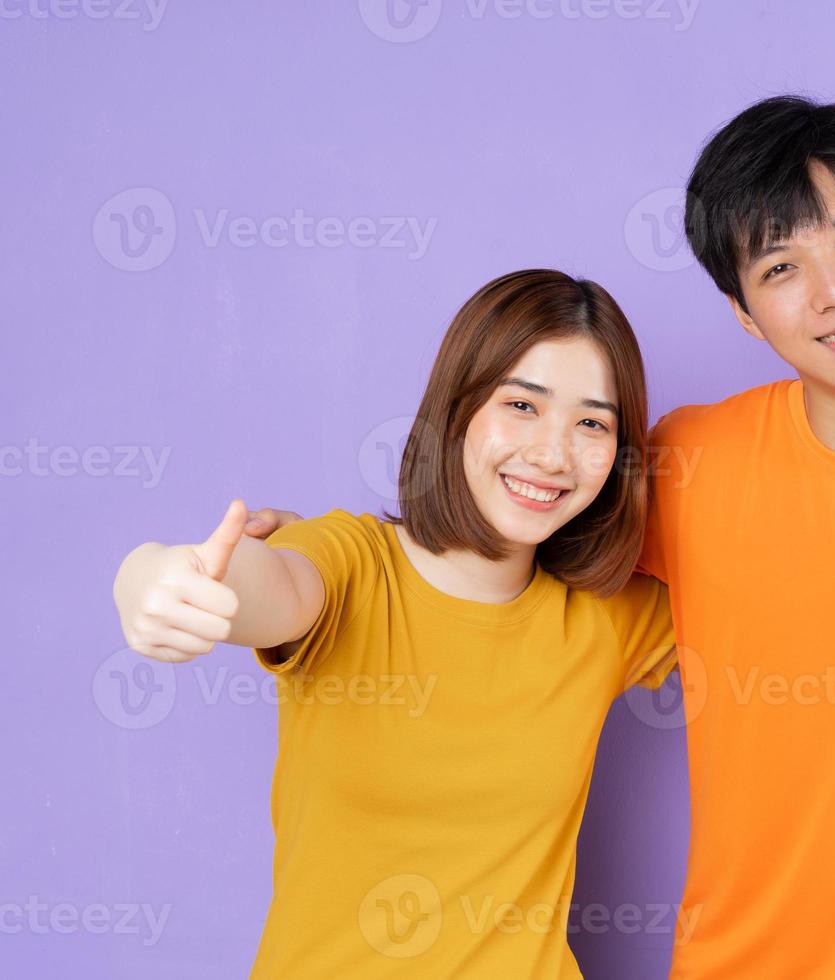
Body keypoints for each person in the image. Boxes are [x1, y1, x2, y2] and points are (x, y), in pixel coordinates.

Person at [241, 96, 835, 980]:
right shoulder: (687, 460)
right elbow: (506, 532)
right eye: (782, 265)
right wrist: (305, 565)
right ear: (745, 314)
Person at [111, 270, 683, 978]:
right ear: (458, 407)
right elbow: (261, 583)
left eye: (592, 422)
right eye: (521, 405)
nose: (552, 454)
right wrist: (152, 573)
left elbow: (802, 595)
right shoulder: (350, 564)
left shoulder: (608, 616)